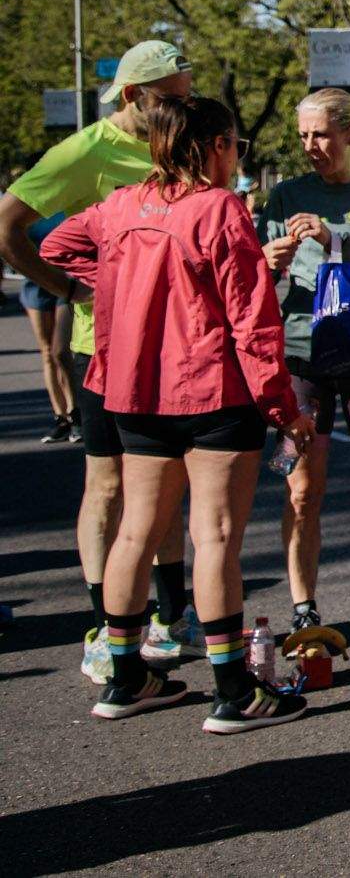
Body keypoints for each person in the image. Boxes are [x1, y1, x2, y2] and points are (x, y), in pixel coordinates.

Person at [43, 95, 313, 732]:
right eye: (235, 145)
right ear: (216, 145)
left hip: (136, 390)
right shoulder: (219, 208)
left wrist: (119, 278)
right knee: (214, 537)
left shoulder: (120, 205)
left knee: (136, 531)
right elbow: (252, 322)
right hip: (212, 390)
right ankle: (234, 690)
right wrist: (284, 409)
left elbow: (57, 245)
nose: (235, 156)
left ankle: (126, 676)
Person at [0, 40, 200, 682]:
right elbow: (7, 225)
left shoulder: (179, 142)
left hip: (175, 343)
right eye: (171, 99)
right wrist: (66, 288)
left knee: (168, 482)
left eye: (188, 98)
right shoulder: (86, 150)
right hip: (106, 348)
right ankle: (102, 627)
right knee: (109, 485)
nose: (182, 109)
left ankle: (174, 615)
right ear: (134, 95)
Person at [259, 88, 350, 641]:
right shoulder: (285, 196)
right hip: (304, 356)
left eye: (320, 134)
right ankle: (304, 606)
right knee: (302, 489)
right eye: (303, 136)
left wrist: (333, 238)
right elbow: (251, 280)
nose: (310, 146)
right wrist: (266, 262)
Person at [23, 211, 79, 443]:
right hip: (36, 282)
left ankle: (76, 413)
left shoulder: (66, 200)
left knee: (61, 351)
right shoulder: (22, 203)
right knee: (47, 352)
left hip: (67, 280)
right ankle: (61, 417)